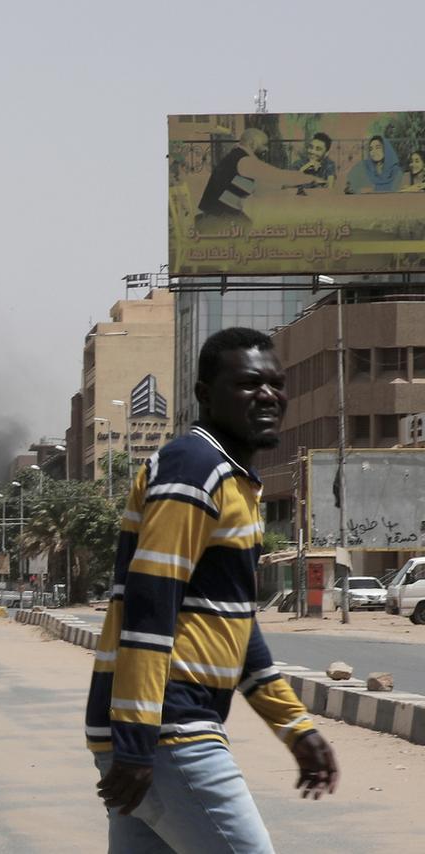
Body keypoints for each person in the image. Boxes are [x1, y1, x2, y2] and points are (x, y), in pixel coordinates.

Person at [88, 327, 338, 853]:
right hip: (168, 729)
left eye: (275, 383)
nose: (268, 396)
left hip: (160, 731)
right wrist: (137, 741)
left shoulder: (233, 481)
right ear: (205, 394)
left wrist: (295, 727)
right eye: (249, 384)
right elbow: (150, 605)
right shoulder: (194, 468)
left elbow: (237, 627)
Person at [196, 128, 324, 226]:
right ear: (252, 144)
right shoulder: (244, 161)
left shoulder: (236, 158)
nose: (266, 149)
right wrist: (310, 178)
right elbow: (278, 175)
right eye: (264, 144)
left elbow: (259, 190)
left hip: (216, 216)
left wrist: (294, 189)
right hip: (216, 221)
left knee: (252, 226)